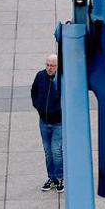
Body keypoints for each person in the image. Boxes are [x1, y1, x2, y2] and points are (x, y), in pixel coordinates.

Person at [30, 53, 64, 193]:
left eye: (52, 65)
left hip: (58, 123)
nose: (49, 68)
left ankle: (60, 178)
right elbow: (34, 92)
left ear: (58, 66)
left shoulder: (61, 80)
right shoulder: (40, 76)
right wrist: (38, 105)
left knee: (56, 151)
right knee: (48, 152)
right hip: (44, 121)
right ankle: (52, 178)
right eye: (48, 65)